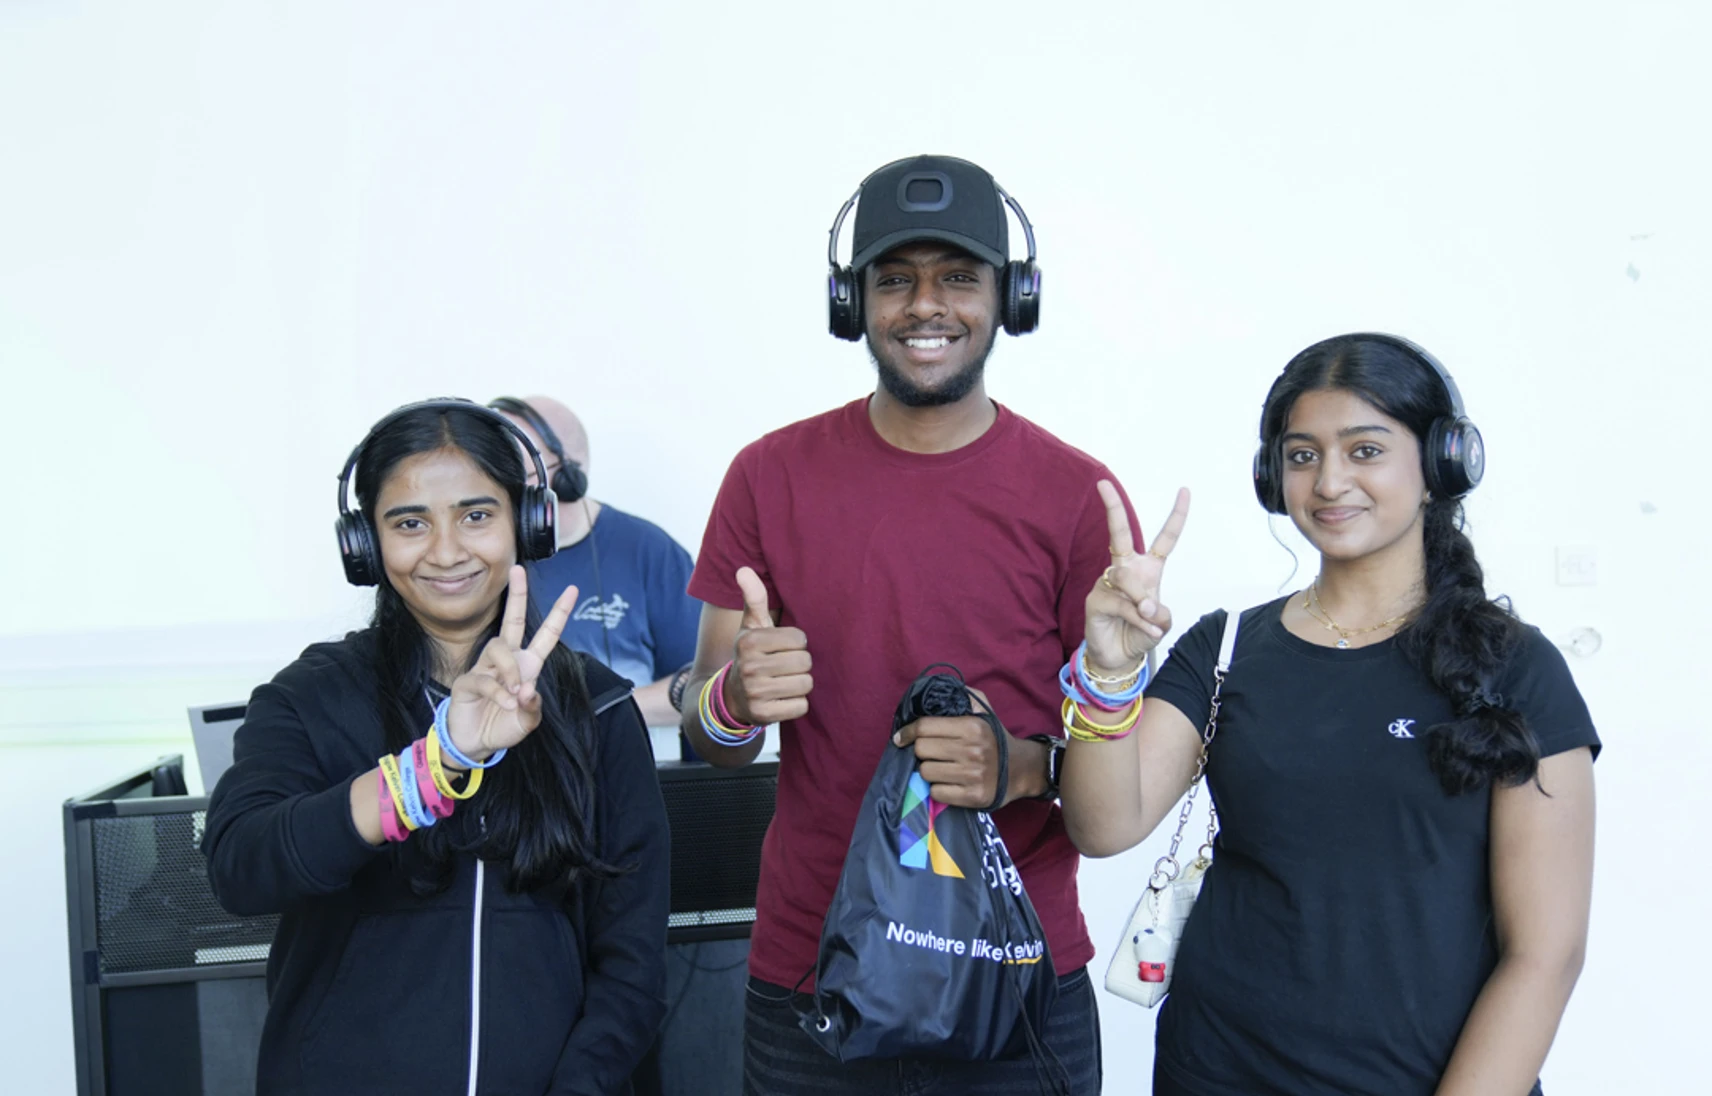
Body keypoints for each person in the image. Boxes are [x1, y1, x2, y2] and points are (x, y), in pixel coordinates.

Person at [679, 154, 1139, 1094]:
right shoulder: (768, 475)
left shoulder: (1076, 496)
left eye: (959, 278)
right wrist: (731, 700)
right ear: (853, 303)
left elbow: (1103, 790)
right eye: (895, 280)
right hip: (814, 970)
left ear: (1012, 297)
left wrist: (1017, 765)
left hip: (1016, 969)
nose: (926, 305)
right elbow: (710, 737)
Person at [1060, 333, 1599, 1096]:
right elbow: (1103, 824)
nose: (1330, 481)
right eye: (1303, 454)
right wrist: (1111, 671)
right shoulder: (1226, 648)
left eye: (1366, 450)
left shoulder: (1514, 667)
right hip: (1215, 1071)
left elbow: (1545, 954)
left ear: (1441, 463)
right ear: (1272, 475)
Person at [203, 400, 670, 1095]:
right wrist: (435, 763)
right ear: (364, 543)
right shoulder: (308, 696)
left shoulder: (598, 707)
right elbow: (242, 867)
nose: (447, 551)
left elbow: (632, 963)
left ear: (529, 525)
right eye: (410, 522)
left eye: (477, 515)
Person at [490, 394, 700, 729]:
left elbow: (706, 685)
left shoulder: (649, 551)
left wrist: (591, 712)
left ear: (567, 476)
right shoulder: (481, 558)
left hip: (625, 771)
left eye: (515, 470)